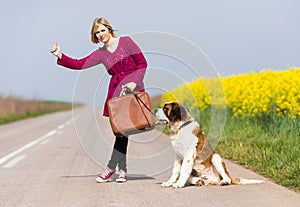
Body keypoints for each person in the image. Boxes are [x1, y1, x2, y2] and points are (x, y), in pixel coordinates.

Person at [50, 17, 148, 183]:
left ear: (109, 29)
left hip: (133, 89)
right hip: (116, 93)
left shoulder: (127, 42)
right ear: (95, 36)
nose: (101, 34)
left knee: (124, 132)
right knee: (120, 132)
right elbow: (79, 64)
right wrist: (60, 55)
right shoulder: (100, 54)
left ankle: (111, 168)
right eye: (97, 32)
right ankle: (121, 169)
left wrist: (134, 81)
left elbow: (142, 63)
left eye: (103, 30)